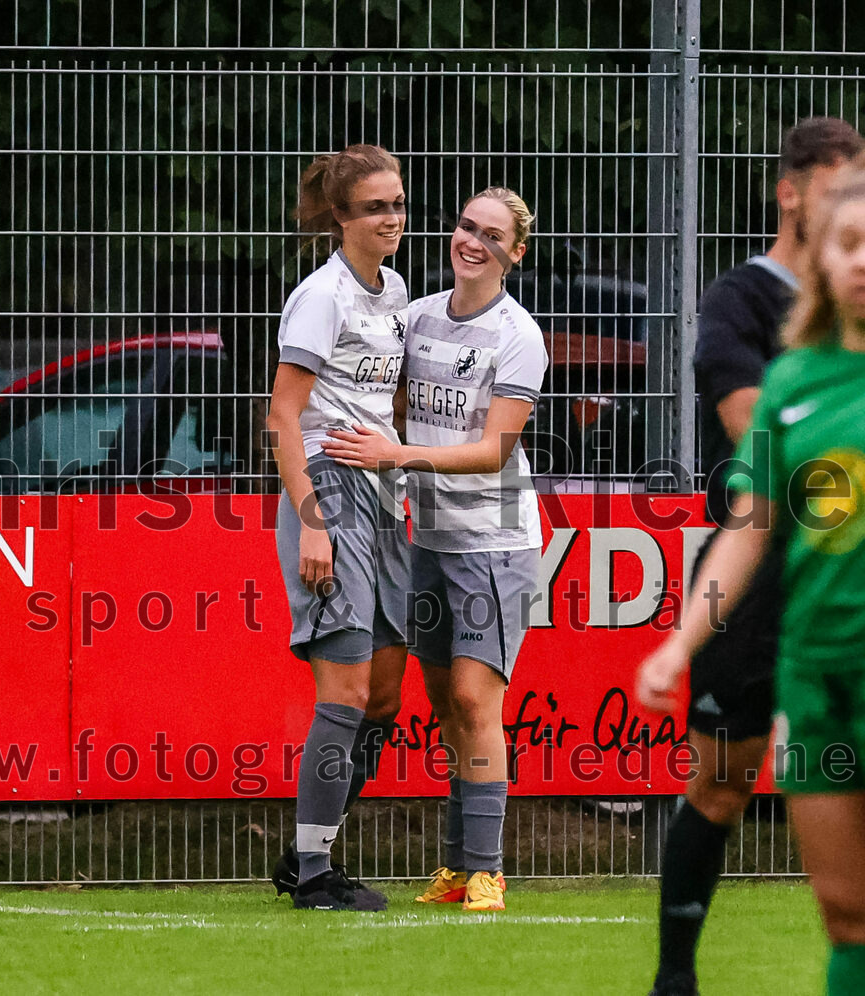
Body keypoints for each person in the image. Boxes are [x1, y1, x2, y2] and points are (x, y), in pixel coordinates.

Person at [639, 147, 865, 995]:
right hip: (811, 670)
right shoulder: (791, 380)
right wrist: (679, 643)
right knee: (852, 918)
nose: (863, 259)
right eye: (848, 241)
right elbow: (748, 527)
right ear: (822, 253)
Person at [323, 187, 548, 912]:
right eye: (464, 226)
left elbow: (491, 452)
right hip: (429, 539)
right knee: (444, 706)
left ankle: (488, 870)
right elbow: (385, 410)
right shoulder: (416, 317)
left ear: (515, 253)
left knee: (474, 698)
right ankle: (457, 869)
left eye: (491, 235)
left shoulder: (519, 334)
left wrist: (397, 458)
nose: (471, 241)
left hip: (496, 539)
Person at [266, 144, 410, 911]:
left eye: (398, 203)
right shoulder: (321, 296)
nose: (392, 218)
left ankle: (304, 853)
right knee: (346, 692)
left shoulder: (392, 291)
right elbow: (284, 416)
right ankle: (317, 874)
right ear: (340, 218)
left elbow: (381, 405)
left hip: (383, 495)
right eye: (375, 207)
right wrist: (313, 522)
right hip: (329, 492)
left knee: (384, 698)